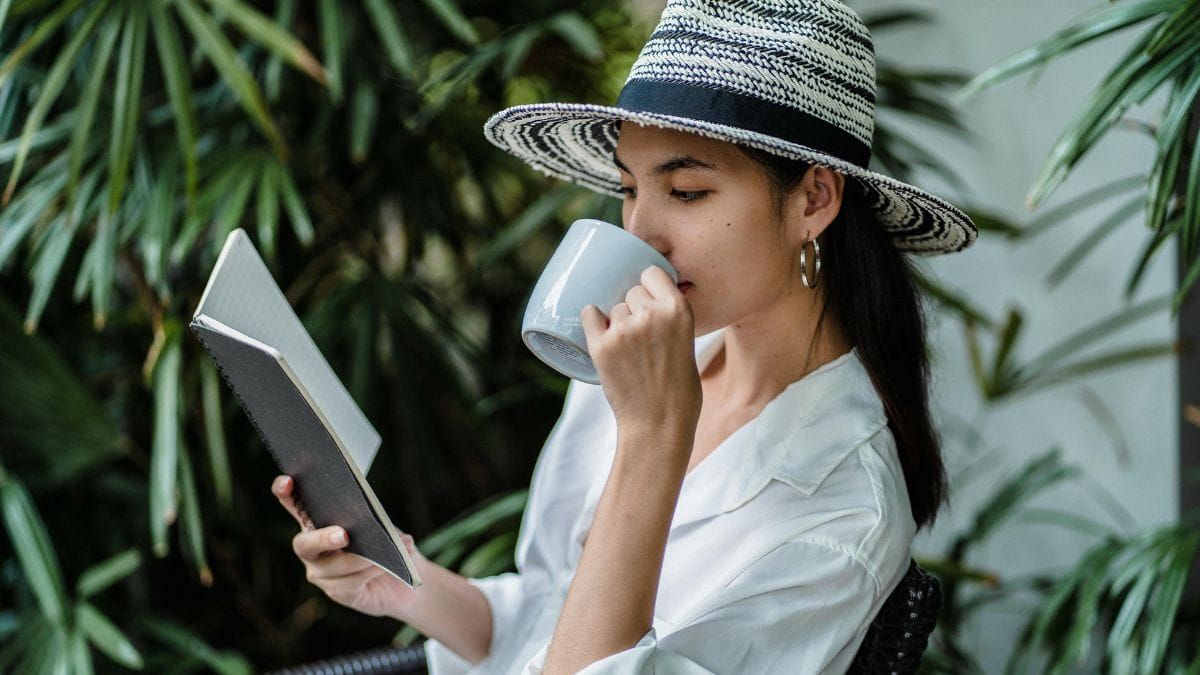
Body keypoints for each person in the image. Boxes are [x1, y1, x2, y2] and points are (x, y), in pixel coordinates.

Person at [273, 0, 978, 672]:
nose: (638, 232)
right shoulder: (645, 360)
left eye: (688, 191)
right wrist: (404, 583)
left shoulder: (842, 514)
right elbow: (555, 611)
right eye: (629, 188)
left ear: (813, 200)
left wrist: (653, 440)